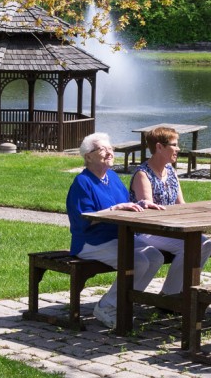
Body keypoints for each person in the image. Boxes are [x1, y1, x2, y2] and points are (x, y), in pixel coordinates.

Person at [66, 132, 165, 328]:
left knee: (155, 256)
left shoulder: (111, 177)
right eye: (103, 149)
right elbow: (83, 219)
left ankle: (125, 301)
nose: (109, 152)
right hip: (91, 241)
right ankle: (106, 306)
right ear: (88, 156)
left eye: (110, 148)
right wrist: (114, 210)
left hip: (117, 237)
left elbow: (125, 203)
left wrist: (141, 203)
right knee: (137, 261)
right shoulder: (82, 182)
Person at [129, 127, 211, 296]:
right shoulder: (142, 174)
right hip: (147, 231)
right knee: (194, 245)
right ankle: (171, 296)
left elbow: (181, 204)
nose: (178, 149)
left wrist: (195, 220)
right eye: (174, 145)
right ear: (159, 147)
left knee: (205, 244)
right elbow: (148, 212)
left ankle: (175, 292)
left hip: (170, 229)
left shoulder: (171, 172)